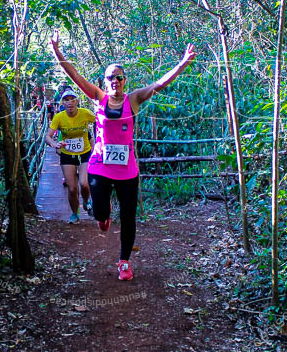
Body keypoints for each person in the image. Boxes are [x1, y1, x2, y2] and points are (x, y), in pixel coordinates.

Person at [50, 31, 196, 281]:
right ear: (105, 81)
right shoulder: (98, 98)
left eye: (119, 77)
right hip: (99, 166)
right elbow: (75, 76)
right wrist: (56, 51)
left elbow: (159, 84)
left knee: (128, 216)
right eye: (110, 77)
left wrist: (182, 64)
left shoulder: (134, 99)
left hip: (127, 170)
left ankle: (124, 262)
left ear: (124, 80)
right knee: (100, 213)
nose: (114, 80)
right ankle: (103, 218)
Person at [46, 90, 96, 224]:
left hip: (85, 152)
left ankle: (86, 201)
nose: (70, 102)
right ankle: (75, 214)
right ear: (63, 103)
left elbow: (100, 121)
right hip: (67, 155)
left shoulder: (85, 113)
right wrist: (55, 144)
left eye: (72, 99)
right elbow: (48, 136)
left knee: (84, 183)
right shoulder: (59, 117)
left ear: (77, 101)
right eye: (66, 100)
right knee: (72, 188)